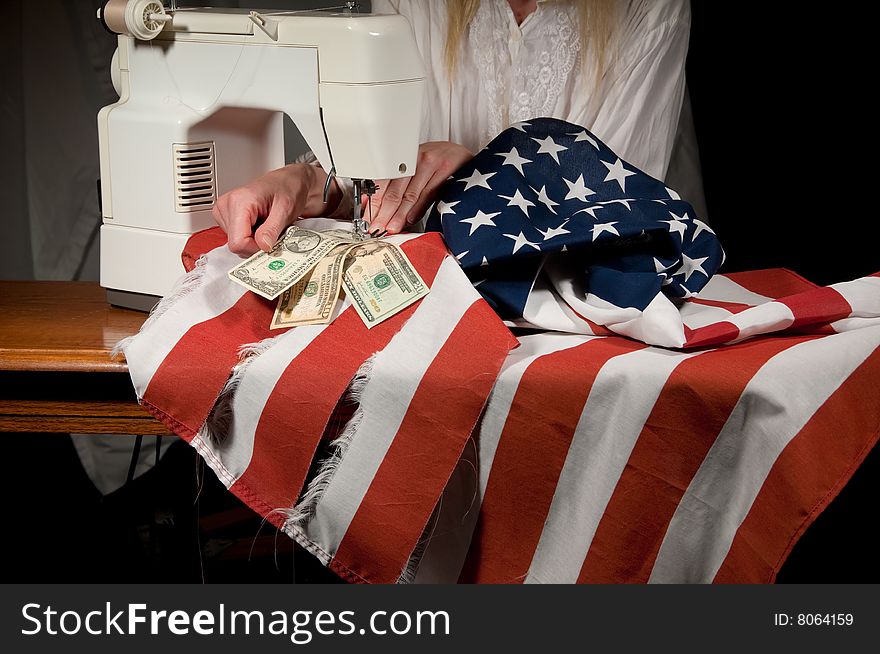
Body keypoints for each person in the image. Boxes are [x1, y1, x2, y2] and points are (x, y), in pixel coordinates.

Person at [212, 0, 696, 256]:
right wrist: (305, 184)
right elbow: (383, 174)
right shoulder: (419, 5)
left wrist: (480, 175)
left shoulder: (648, 7)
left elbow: (615, 206)